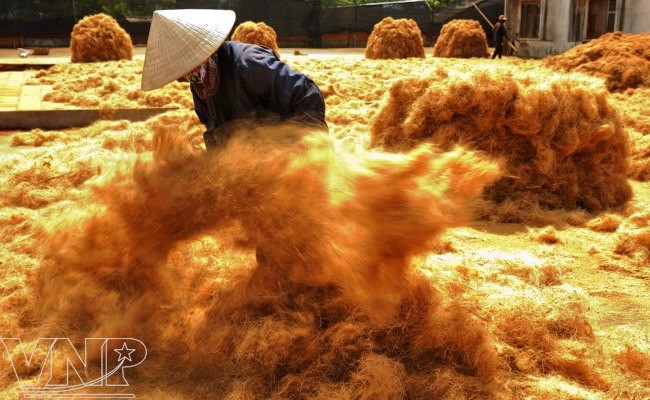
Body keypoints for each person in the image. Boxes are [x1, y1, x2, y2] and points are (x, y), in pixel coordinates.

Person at [141, 9, 327, 150]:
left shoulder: (249, 64)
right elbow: (216, 132)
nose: (180, 79)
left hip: (286, 157)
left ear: (201, 55)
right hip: (252, 160)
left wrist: (293, 144)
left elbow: (308, 95)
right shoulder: (202, 85)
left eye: (182, 70)